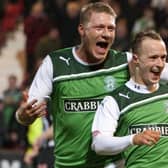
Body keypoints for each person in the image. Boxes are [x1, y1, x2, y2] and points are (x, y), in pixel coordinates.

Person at [15, 2, 168, 168]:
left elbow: (155, 64)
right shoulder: (56, 64)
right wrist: (23, 116)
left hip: (112, 163)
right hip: (68, 164)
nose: (106, 34)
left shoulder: (124, 62)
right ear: (82, 30)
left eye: (111, 28)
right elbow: (28, 110)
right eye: (99, 27)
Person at [91, 30, 168, 168]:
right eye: (153, 57)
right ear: (136, 59)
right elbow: (99, 144)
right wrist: (133, 139)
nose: (160, 64)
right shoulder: (115, 100)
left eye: (163, 58)